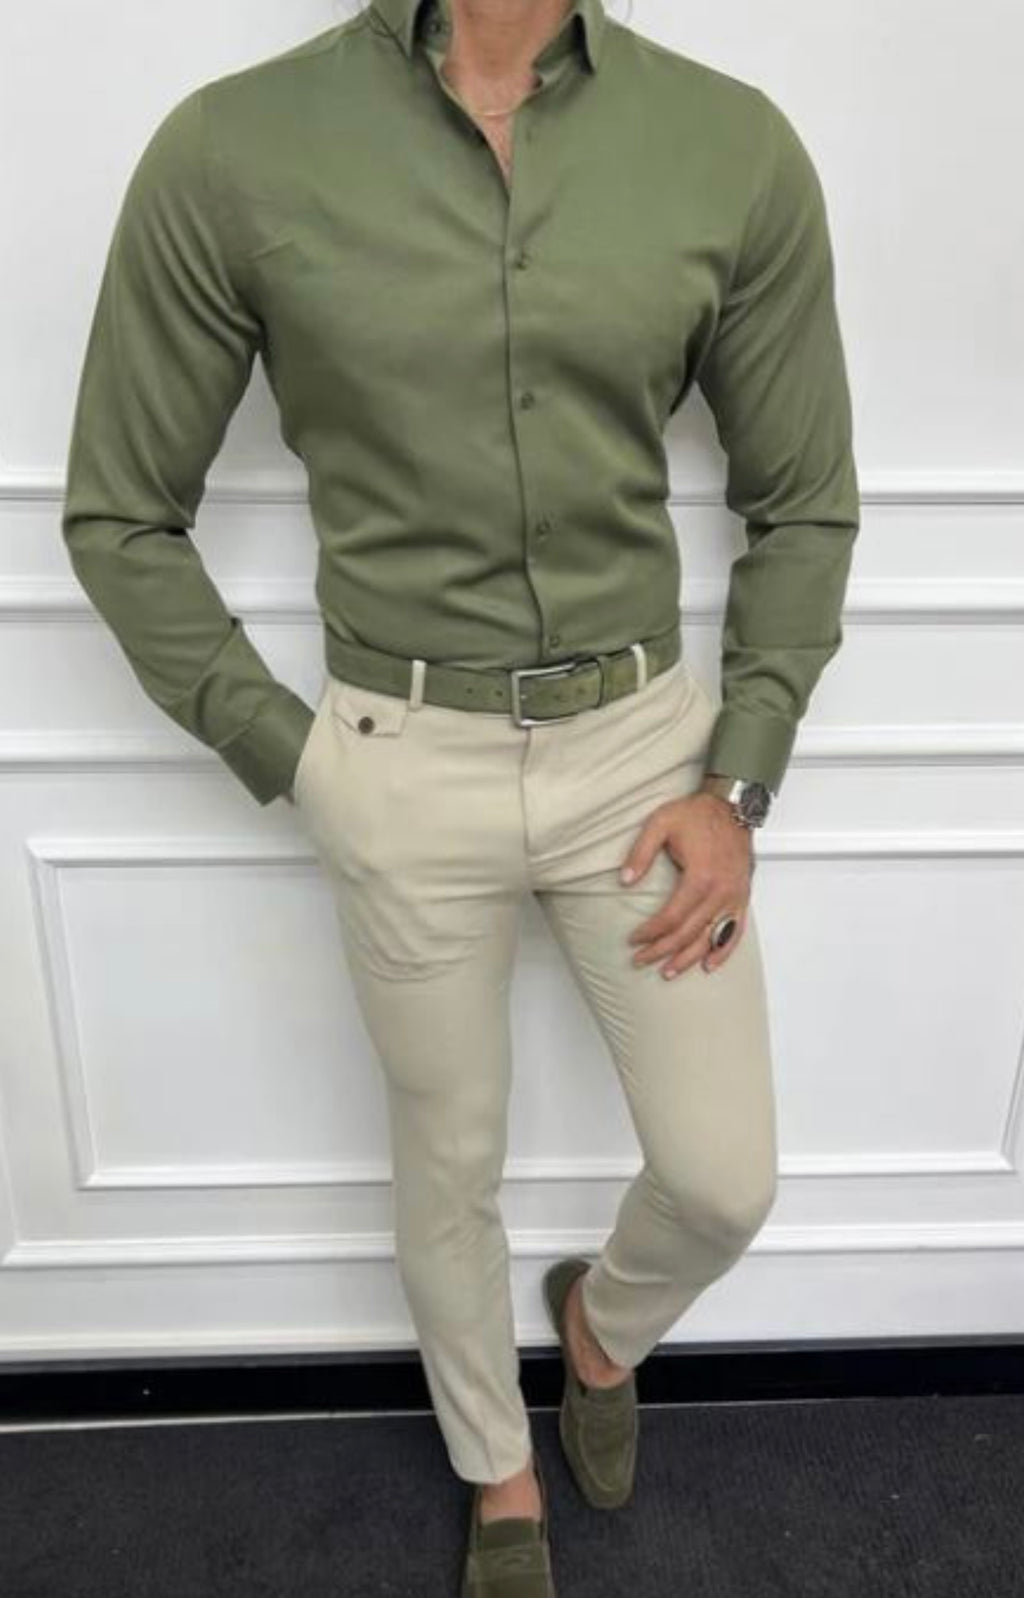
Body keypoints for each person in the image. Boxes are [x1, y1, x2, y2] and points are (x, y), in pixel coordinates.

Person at [60, 0, 859, 1591]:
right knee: (449, 1162)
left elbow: (803, 503)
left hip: (642, 759)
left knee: (724, 1176)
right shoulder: (232, 151)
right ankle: (498, 1467)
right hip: (400, 758)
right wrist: (302, 762)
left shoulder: (732, 147)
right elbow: (119, 514)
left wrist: (739, 779)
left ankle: (600, 1329)